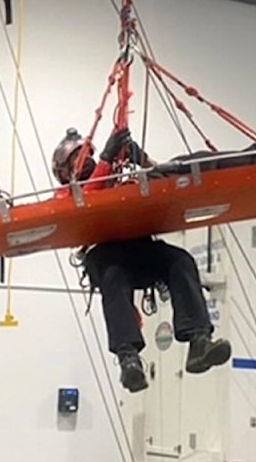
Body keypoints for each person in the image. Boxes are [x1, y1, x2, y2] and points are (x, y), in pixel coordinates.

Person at [51, 126, 232, 393]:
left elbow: (160, 182)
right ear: (65, 172)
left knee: (180, 261)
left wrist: (142, 160)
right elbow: (88, 196)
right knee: (114, 275)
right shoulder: (67, 196)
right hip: (104, 254)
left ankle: (199, 340)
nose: (86, 163)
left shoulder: (119, 181)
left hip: (139, 250)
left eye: (87, 157)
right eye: (78, 160)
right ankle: (128, 358)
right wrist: (105, 160)